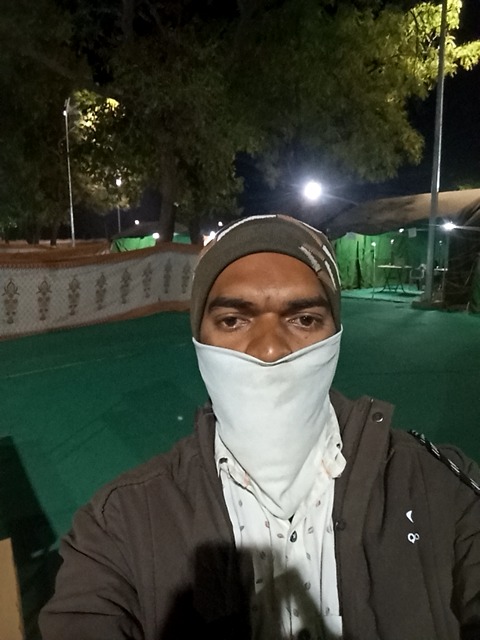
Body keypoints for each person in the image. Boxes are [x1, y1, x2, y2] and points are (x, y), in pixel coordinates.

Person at [39, 214, 480, 640]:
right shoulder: (119, 525)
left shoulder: (442, 487)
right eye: (233, 321)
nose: (269, 349)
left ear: (335, 336)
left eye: (304, 319)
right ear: (199, 339)